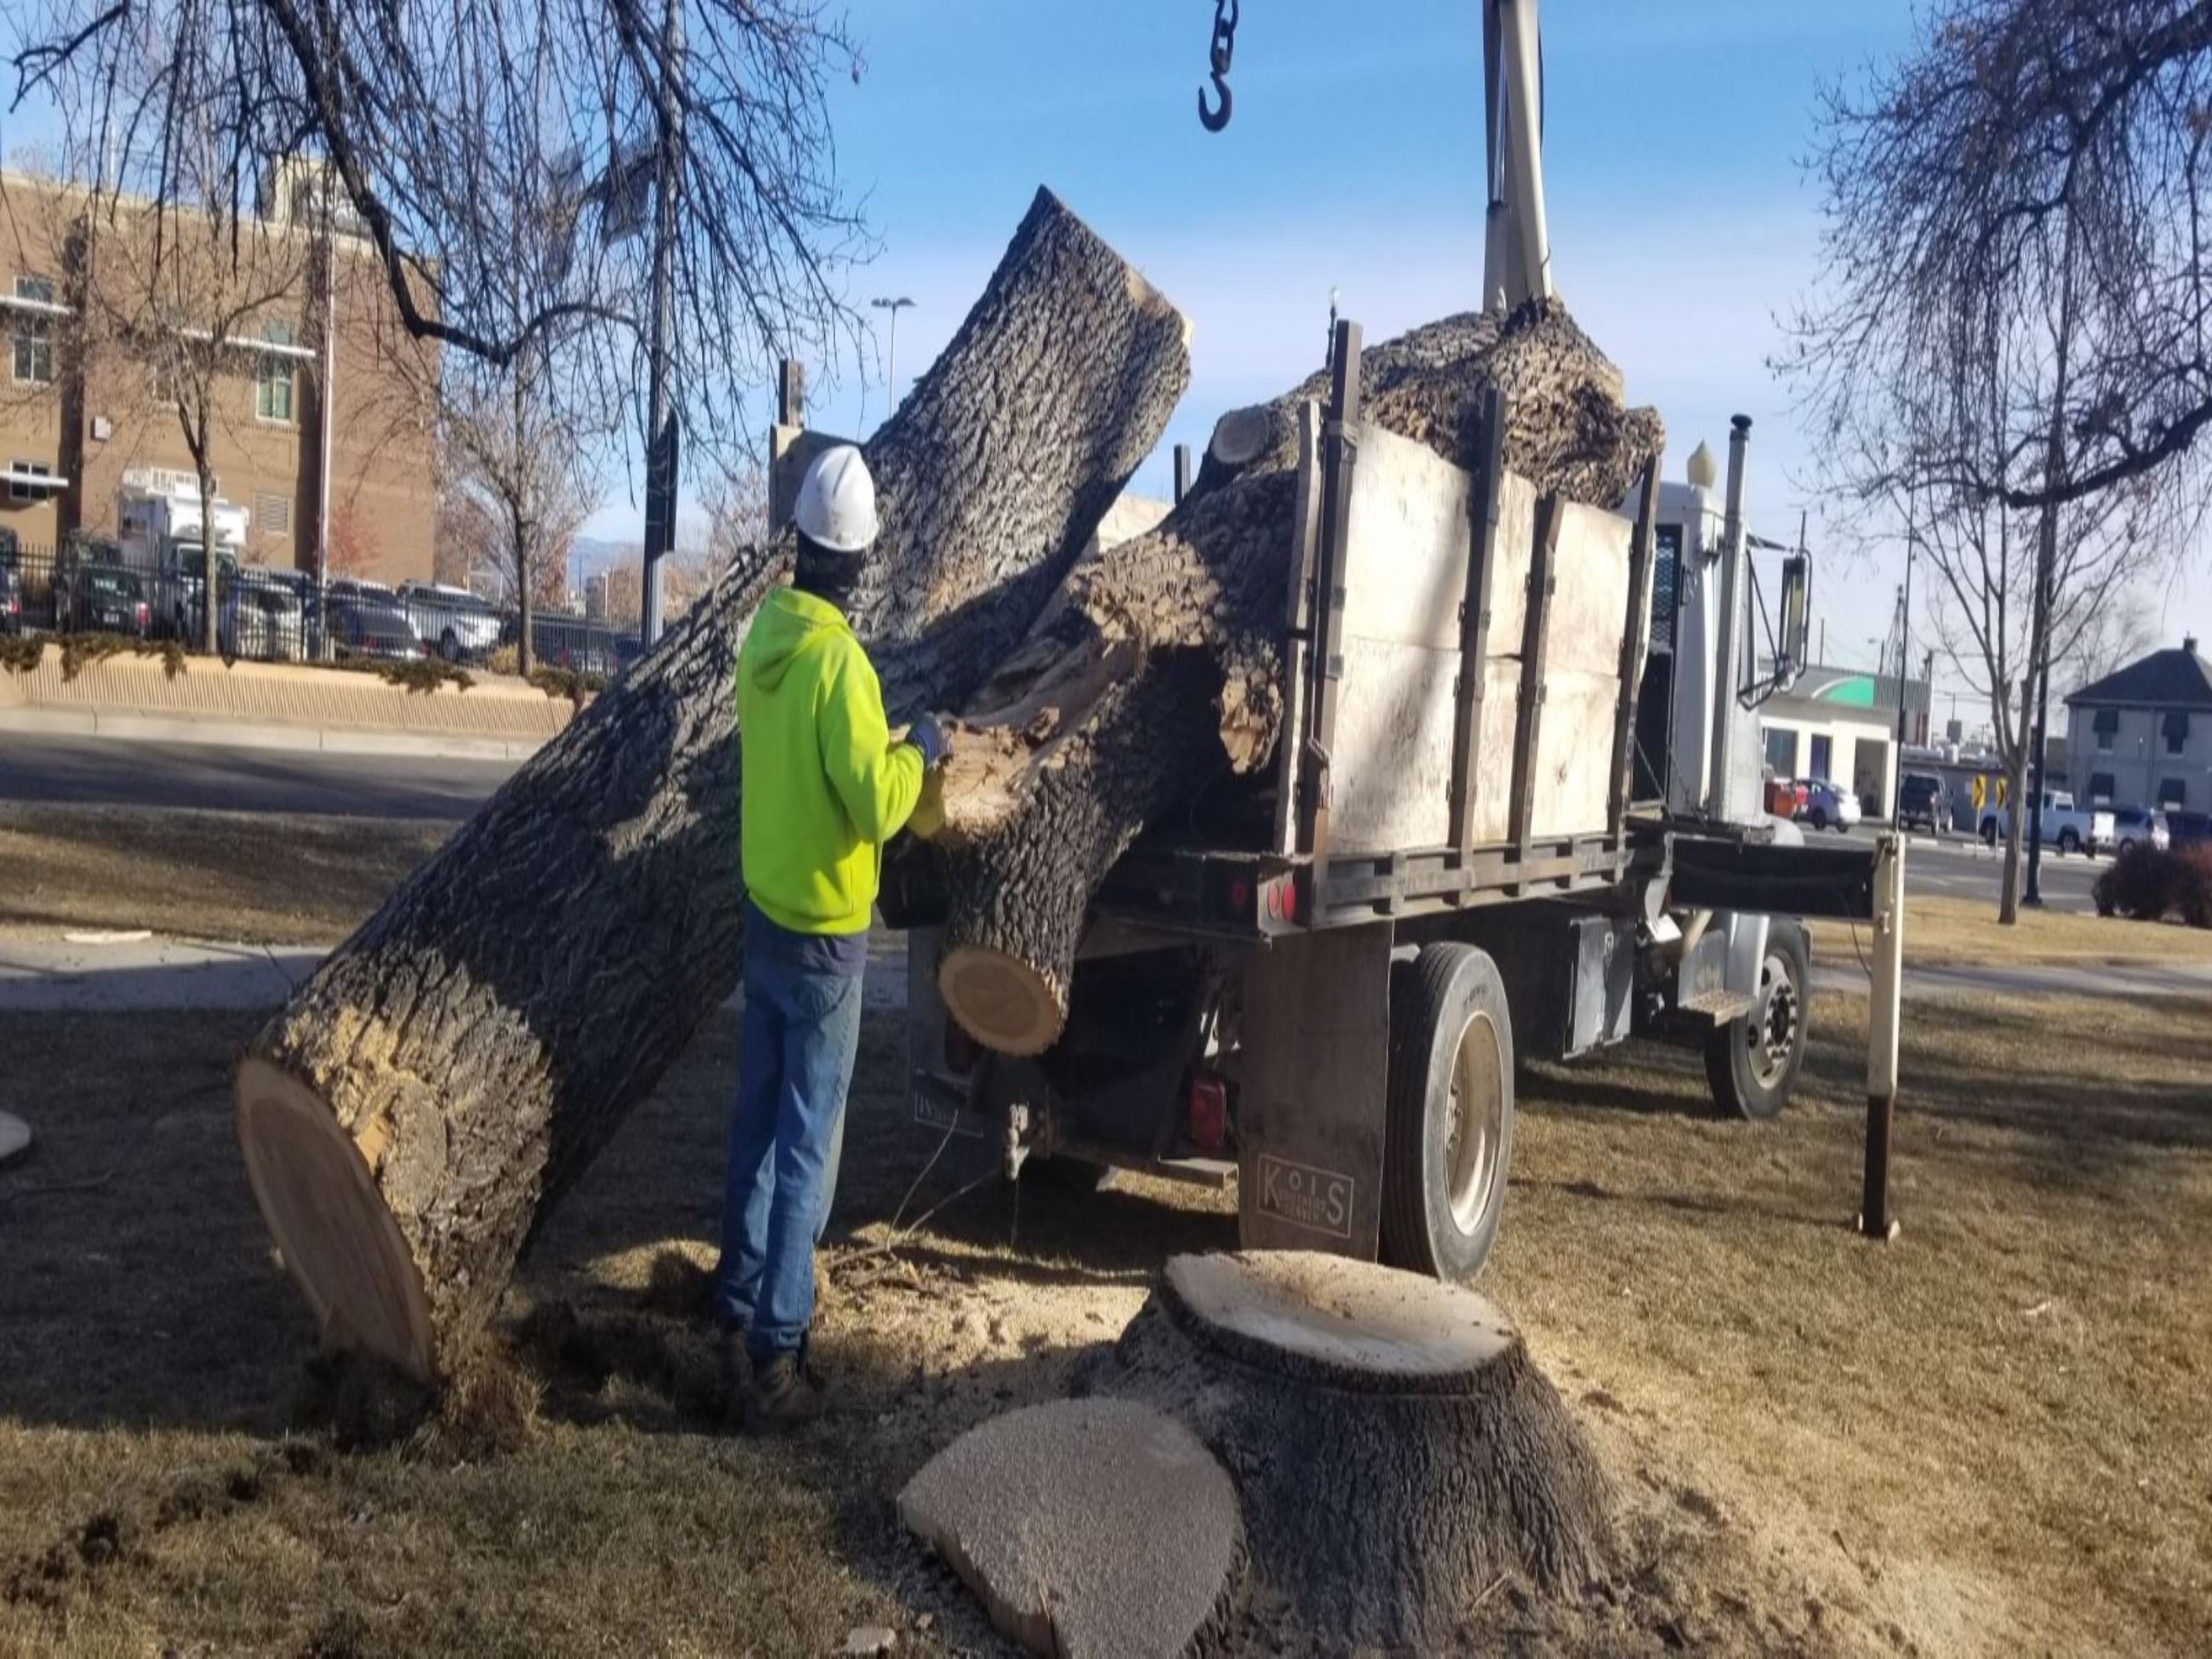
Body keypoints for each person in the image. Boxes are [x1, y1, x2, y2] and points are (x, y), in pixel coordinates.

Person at [714, 443, 948, 1431]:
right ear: (860, 562)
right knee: (811, 1144)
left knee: (758, 1127)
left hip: (765, 919)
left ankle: (734, 1304)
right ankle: (777, 1350)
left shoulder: (765, 637)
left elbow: (811, 772)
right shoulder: (841, 666)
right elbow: (874, 805)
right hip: (824, 941)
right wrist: (920, 755)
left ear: (800, 544)